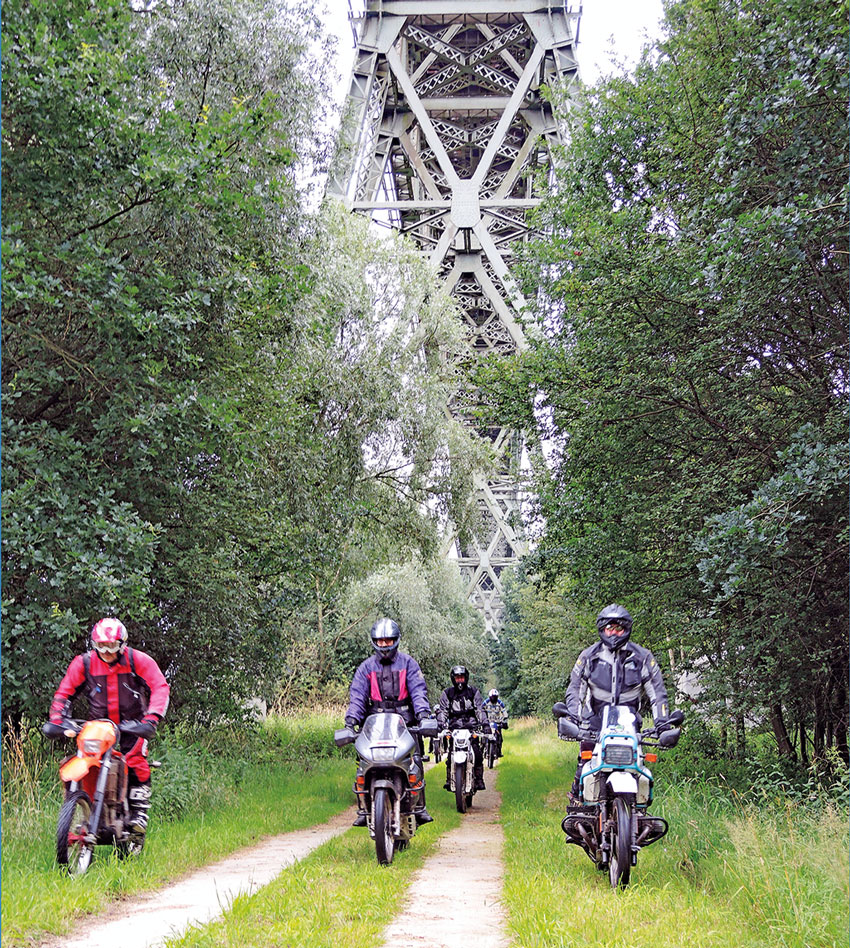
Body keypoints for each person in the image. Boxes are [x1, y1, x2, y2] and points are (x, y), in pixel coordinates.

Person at [49, 617, 170, 836]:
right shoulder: (84, 663)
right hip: (97, 729)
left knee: (135, 761)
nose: (106, 652)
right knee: (81, 762)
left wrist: (152, 719)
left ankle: (138, 812)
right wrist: (56, 719)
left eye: (111, 646)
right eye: (101, 646)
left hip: (131, 728)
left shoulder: (138, 661)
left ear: (122, 644)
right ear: (94, 645)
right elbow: (64, 693)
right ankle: (78, 808)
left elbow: (159, 686)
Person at [563, 603, 672, 804]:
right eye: (609, 628)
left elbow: (657, 693)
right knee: (584, 769)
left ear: (626, 629)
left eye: (618, 628)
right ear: (602, 630)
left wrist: (663, 724)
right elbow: (576, 691)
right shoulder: (589, 657)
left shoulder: (643, 658)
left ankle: (639, 814)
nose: (614, 633)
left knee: (640, 772)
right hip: (593, 725)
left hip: (630, 727)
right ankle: (577, 809)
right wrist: (572, 719)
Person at [344, 617, 433, 826]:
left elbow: (419, 692)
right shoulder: (365, 668)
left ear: (396, 640)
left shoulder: (409, 664)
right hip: (373, 723)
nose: (385, 645)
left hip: (405, 722)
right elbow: (357, 697)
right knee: (363, 762)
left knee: (416, 760)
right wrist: (350, 723)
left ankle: (420, 807)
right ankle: (365, 807)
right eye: (381, 641)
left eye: (389, 641)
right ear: (374, 641)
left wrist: (424, 717)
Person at [437, 665, 489, 791]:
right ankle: (450, 780)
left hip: (471, 727)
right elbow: (443, 711)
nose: (460, 680)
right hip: (454, 728)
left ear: (466, 678)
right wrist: (440, 723)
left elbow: (479, 709)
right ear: (453, 679)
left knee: (476, 752)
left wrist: (485, 724)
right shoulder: (447, 693)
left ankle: (479, 779)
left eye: (462, 678)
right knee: (450, 755)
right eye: (457, 678)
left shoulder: (473, 692)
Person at [483, 688, 509, 757]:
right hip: (487, 722)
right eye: (492, 697)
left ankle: (499, 751)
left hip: (497, 723)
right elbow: (480, 709)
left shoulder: (500, 703)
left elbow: (504, 712)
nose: (494, 698)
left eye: (495, 697)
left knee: (500, 737)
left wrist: (504, 719)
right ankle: (482, 748)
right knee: (484, 735)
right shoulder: (486, 702)